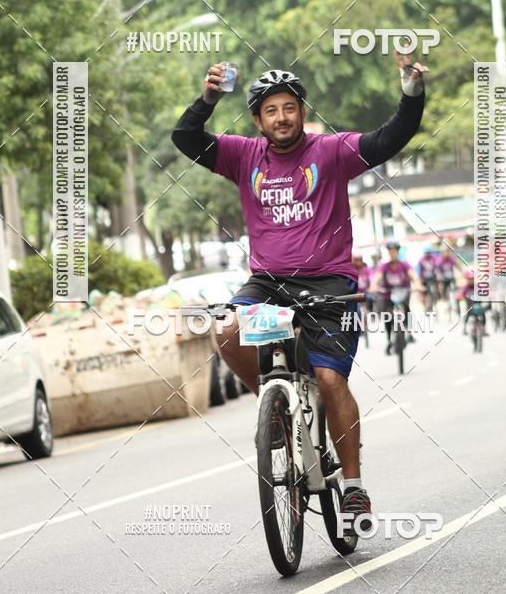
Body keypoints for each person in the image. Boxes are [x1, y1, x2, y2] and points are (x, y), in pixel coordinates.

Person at [171, 55, 427, 528]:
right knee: (227, 331)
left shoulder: (332, 151)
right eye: (271, 111)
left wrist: (411, 92)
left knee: (331, 382)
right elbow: (185, 138)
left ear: (302, 112)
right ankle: (272, 411)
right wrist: (208, 98)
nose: (281, 117)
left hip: (330, 283)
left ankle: (352, 488)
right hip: (268, 284)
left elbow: (391, 136)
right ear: (257, 120)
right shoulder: (242, 155)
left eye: (289, 107)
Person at [371, 241, 421, 354]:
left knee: (407, 310)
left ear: (397, 252)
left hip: (403, 293)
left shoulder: (404, 264)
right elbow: (377, 277)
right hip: (388, 294)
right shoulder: (384, 266)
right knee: (387, 316)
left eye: (394, 251)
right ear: (388, 252)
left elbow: (413, 275)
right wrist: (373, 286)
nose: (392, 253)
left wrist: (417, 284)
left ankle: (409, 332)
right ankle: (389, 340)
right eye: (390, 251)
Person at [417, 243, 440, 309]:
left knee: (437, 286)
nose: (428, 254)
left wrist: (437, 271)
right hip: (424, 279)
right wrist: (420, 280)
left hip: (433, 277)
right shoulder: (421, 260)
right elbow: (419, 271)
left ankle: (437, 297)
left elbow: (438, 263)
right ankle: (425, 306)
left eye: (429, 252)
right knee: (424, 293)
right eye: (426, 253)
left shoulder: (434, 258)